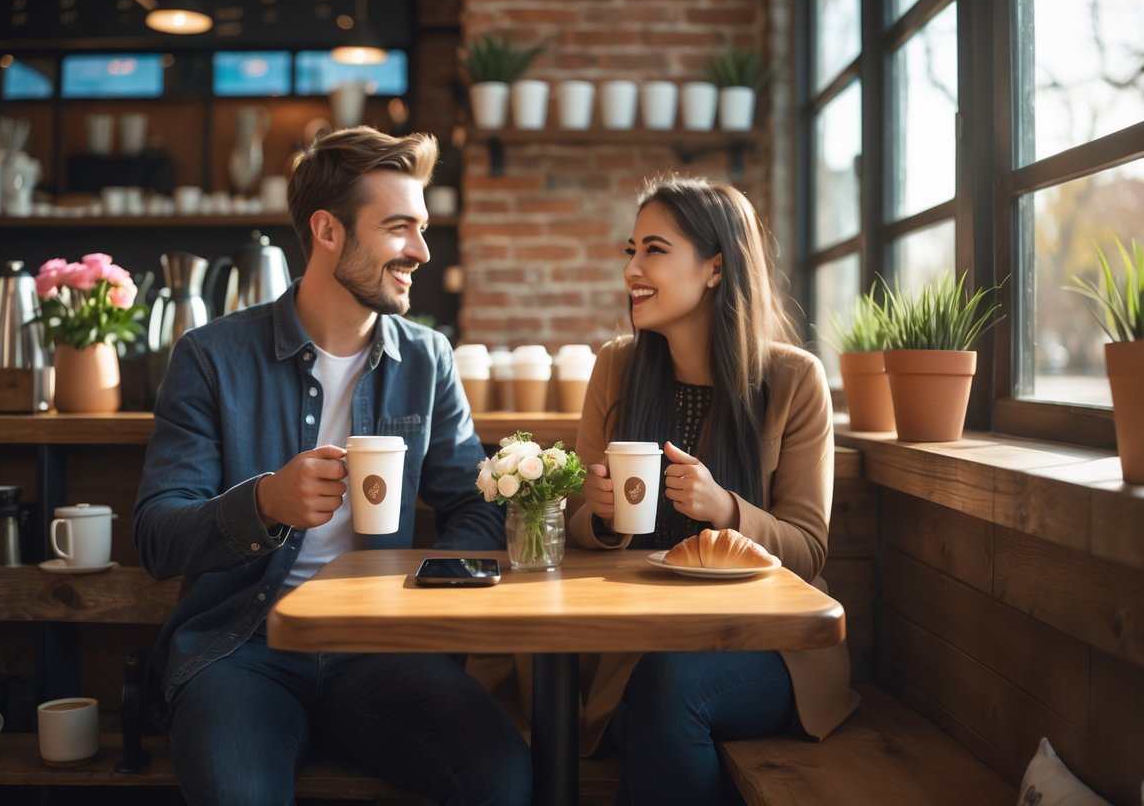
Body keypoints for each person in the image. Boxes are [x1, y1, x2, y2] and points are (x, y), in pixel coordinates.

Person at [133, 126, 531, 806]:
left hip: (380, 649)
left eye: (422, 228)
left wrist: (416, 590)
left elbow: (472, 504)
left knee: (506, 779)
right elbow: (157, 536)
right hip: (243, 649)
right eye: (399, 228)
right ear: (327, 231)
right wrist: (265, 503)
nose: (421, 251)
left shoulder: (427, 358)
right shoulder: (209, 356)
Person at [569, 175, 858, 804]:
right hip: (637, 644)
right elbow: (572, 527)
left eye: (655, 250)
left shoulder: (793, 380)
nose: (632, 270)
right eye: (631, 250)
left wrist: (726, 509)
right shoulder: (616, 366)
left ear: (715, 268)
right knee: (649, 693)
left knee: (670, 690)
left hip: (766, 644)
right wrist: (595, 514)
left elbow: (808, 552)